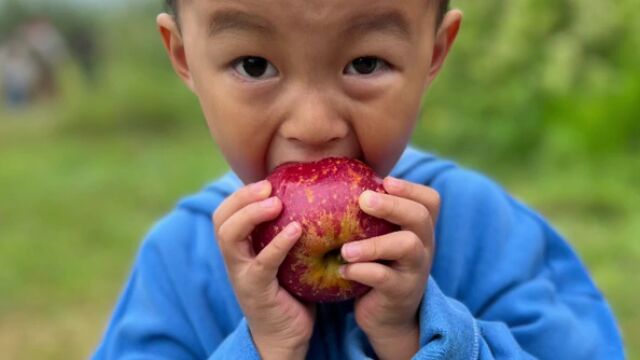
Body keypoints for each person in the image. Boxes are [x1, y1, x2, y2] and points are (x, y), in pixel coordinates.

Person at [93, 1, 624, 359]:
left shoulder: (487, 231)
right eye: (254, 65)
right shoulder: (177, 265)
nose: (314, 126)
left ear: (433, 53)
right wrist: (263, 346)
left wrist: (419, 334)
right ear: (185, 57)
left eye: (365, 63)